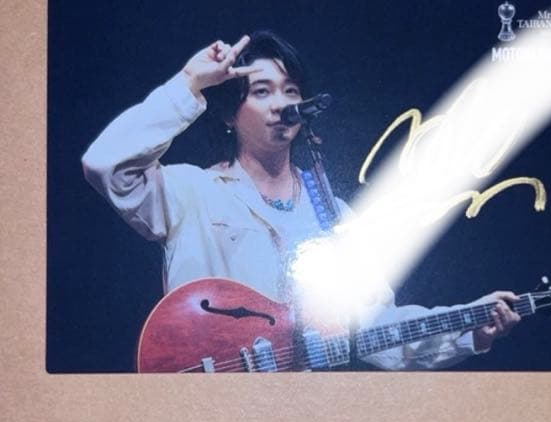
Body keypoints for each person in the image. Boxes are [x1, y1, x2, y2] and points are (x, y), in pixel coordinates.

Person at [81, 31, 520, 370]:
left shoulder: (333, 214)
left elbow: (373, 327)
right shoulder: (191, 192)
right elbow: (106, 163)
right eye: (262, 91)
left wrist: (469, 326)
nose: (281, 104)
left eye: (291, 91)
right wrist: (189, 84)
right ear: (230, 113)